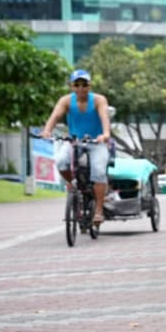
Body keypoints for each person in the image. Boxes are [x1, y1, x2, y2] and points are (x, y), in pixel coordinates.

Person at [42, 69, 112, 225]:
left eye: (84, 84)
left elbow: (104, 117)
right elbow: (54, 116)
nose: (81, 88)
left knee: (99, 171)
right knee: (61, 161)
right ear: (72, 86)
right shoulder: (66, 101)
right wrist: (47, 130)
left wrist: (105, 134)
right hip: (74, 141)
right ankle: (73, 185)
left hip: (96, 142)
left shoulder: (99, 100)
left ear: (90, 85)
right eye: (77, 84)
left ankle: (99, 210)